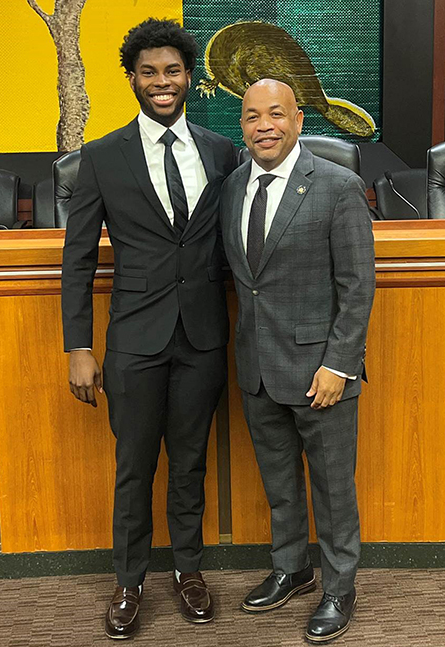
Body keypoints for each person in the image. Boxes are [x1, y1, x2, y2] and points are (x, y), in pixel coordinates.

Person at [61, 18, 237, 640]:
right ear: (132, 79)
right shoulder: (102, 157)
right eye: (149, 72)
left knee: (190, 466)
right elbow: (77, 258)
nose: (161, 82)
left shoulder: (222, 151)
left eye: (172, 71)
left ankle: (189, 573)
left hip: (203, 339)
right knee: (133, 467)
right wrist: (79, 346)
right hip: (134, 340)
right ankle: (130, 582)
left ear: (189, 77)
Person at [220, 79, 375, 644]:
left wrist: (340, 365)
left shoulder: (338, 186)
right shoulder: (233, 187)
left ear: (298, 119)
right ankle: (292, 568)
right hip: (257, 367)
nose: (264, 125)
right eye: (252, 116)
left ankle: (339, 587)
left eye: (276, 114)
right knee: (280, 482)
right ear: (242, 125)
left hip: (320, 374)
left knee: (333, 487)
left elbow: (357, 287)